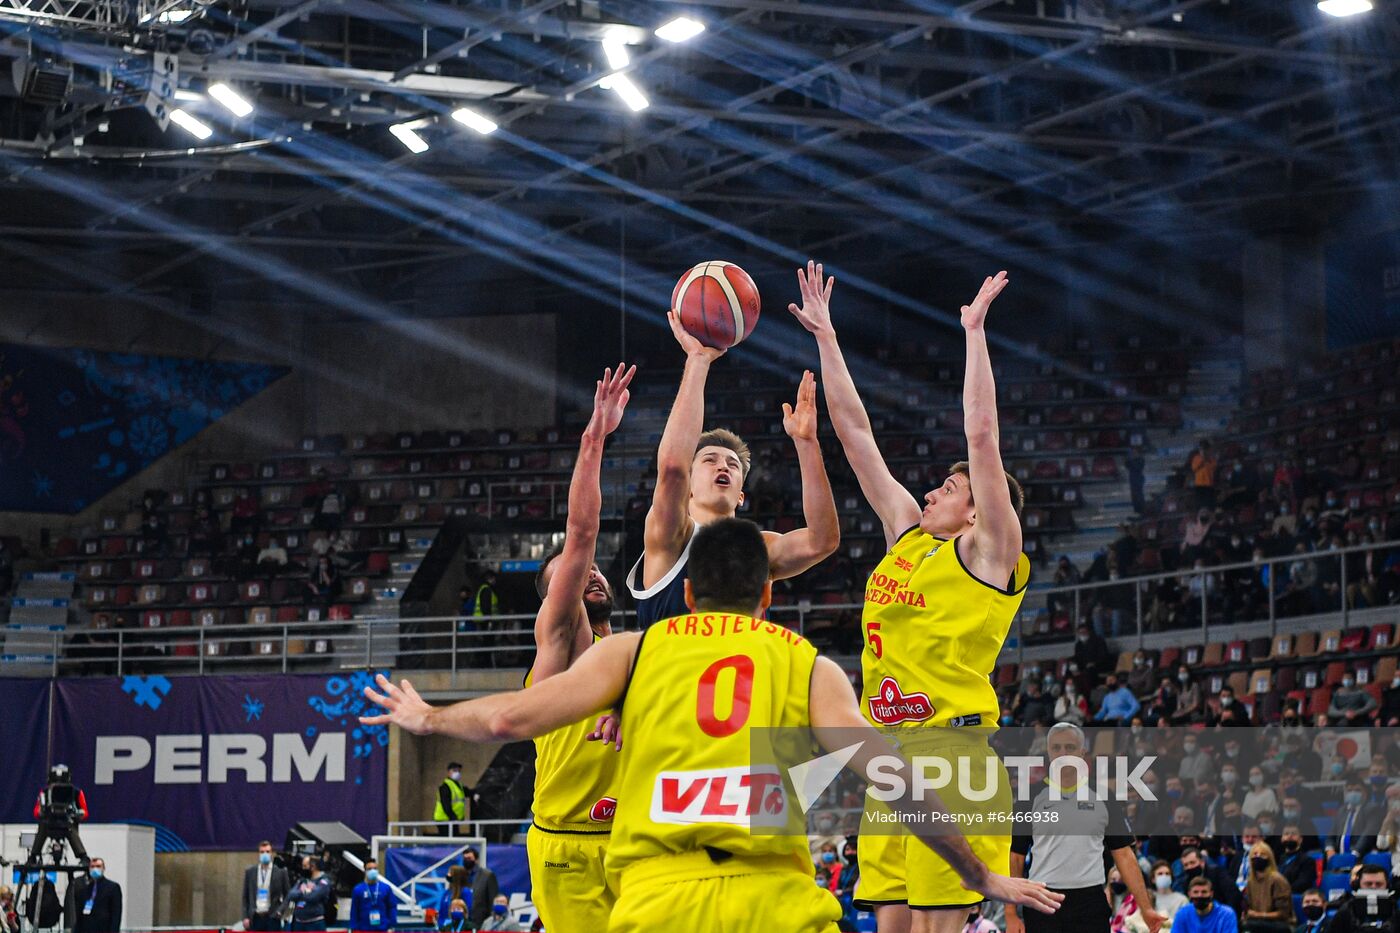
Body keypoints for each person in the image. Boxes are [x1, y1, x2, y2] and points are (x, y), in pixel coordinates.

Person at [361, 518, 1063, 933]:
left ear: (688, 593)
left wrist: (428, 716)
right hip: (775, 901)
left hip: (659, 899)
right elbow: (895, 776)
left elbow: (511, 717)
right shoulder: (807, 663)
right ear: (766, 594)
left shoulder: (632, 651)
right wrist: (979, 871)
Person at [790, 263, 1035, 932]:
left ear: (981, 511)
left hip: (953, 756)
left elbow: (981, 437)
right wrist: (827, 336)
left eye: (949, 491)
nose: (931, 492)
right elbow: (857, 436)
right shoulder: (908, 537)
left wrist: (975, 333)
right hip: (890, 759)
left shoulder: (990, 556)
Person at [625, 305, 839, 629]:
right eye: (709, 460)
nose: (722, 466)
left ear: (741, 495)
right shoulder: (671, 535)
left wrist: (807, 443)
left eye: (733, 464)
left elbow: (822, 540)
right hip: (673, 679)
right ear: (689, 488)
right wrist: (698, 361)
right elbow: (671, 469)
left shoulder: (759, 547)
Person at [524, 363, 632, 933]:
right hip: (571, 845)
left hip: (634, 839)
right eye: (570, 574)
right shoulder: (567, 641)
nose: (589, 574)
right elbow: (581, 534)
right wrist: (595, 439)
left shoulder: (630, 650)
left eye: (594, 572)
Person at [1008, 723, 1165, 933]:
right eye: (1056, 748)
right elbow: (1015, 857)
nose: (1063, 754)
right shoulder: (1029, 798)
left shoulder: (1104, 797)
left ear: (1082, 753)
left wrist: (1145, 908)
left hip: (1090, 901)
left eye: (1070, 748)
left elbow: (1124, 855)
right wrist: (1011, 914)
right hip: (1043, 900)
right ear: (1048, 752)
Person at [28, 763, 89, 867]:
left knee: (71, 828)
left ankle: (83, 856)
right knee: (42, 827)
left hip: (67, 822)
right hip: (49, 822)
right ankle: (33, 856)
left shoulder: (77, 792)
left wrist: (78, 814)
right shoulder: (45, 792)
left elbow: (85, 811)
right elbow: (36, 810)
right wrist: (41, 812)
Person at [1327, 865, 1397, 933]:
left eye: (1379, 884)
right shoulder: (1345, 912)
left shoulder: (1396, 911)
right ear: (1357, 885)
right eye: (1368, 884)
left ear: (1387, 885)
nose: (1373, 888)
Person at [1242, 843, 1294, 933]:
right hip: (1258, 922)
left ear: (1269, 858)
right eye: (1255, 854)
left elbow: (1283, 914)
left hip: (1279, 924)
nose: (1258, 857)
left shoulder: (1277, 879)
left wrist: (1258, 915)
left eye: (1262, 854)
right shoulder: (1250, 881)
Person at [243, 840, 291, 931]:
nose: (265, 854)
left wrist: (280, 911)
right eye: (262, 852)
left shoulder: (281, 872)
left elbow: (288, 895)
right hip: (256, 917)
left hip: (272, 917)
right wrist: (245, 916)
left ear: (271, 853)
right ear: (258, 853)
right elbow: (245, 897)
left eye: (267, 852)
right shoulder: (250, 872)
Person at [63, 858, 121, 933]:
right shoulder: (84, 890)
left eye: (98, 866)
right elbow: (79, 916)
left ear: (103, 868)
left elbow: (116, 915)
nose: (95, 869)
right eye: (92, 866)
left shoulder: (112, 888)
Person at [288, 857, 333, 931]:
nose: (303, 868)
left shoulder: (324, 881)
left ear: (313, 866)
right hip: (299, 923)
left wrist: (301, 892)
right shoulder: (302, 880)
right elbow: (291, 894)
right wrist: (305, 891)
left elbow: (313, 897)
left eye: (305, 866)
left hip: (315, 923)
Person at [350, 859, 396, 932]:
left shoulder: (386, 888)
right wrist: (353, 927)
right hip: (364, 929)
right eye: (369, 869)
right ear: (364, 871)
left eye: (375, 868)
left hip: (383, 928)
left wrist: (392, 926)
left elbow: (392, 907)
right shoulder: (358, 889)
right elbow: (354, 910)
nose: (372, 871)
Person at [460, 849, 498, 929]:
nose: (467, 860)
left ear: (476, 859)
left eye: (469, 858)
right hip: (463, 921)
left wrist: (491, 921)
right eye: (465, 858)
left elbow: (493, 899)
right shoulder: (461, 875)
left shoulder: (487, 875)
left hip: (481, 921)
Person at [433, 763, 475, 837]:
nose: (457, 773)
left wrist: (475, 794)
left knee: (454, 840)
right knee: (448, 842)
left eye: (459, 771)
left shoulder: (459, 786)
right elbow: (446, 805)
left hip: (453, 820)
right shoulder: (445, 787)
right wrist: (453, 817)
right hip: (444, 819)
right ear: (449, 772)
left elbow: (468, 792)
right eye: (454, 770)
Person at [1151, 861, 1189, 926]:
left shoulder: (1182, 899)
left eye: (1167, 874)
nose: (1164, 876)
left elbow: (1185, 922)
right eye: (1160, 874)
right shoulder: (1149, 897)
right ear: (1153, 879)